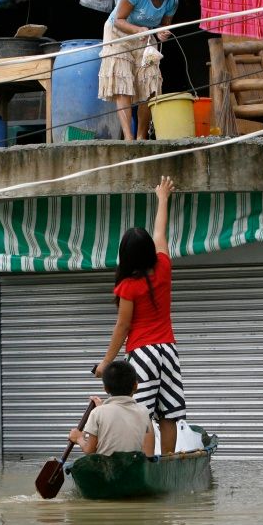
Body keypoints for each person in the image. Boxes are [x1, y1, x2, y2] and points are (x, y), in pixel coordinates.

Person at [95, 176, 186, 454]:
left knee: (142, 414)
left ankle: (146, 464)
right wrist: (162, 198)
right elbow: (160, 232)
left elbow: (123, 326)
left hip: (143, 353)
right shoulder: (164, 267)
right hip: (168, 351)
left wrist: (104, 364)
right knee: (168, 413)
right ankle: (168, 463)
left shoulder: (128, 286)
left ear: (126, 256)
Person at [98, 0, 187, 141]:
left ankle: (141, 137)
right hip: (119, 34)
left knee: (150, 83)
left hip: (145, 38)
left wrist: (162, 34)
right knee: (123, 81)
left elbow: (163, 26)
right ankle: (129, 138)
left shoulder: (172, 0)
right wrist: (137, 30)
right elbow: (118, 20)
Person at [69, 360, 155, 456]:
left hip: (107, 470)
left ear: (106, 389)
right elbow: (149, 453)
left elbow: (90, 450)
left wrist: (79, 438)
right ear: (136, 386)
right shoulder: (144, 412)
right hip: (133, 470)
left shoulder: (98, 413)